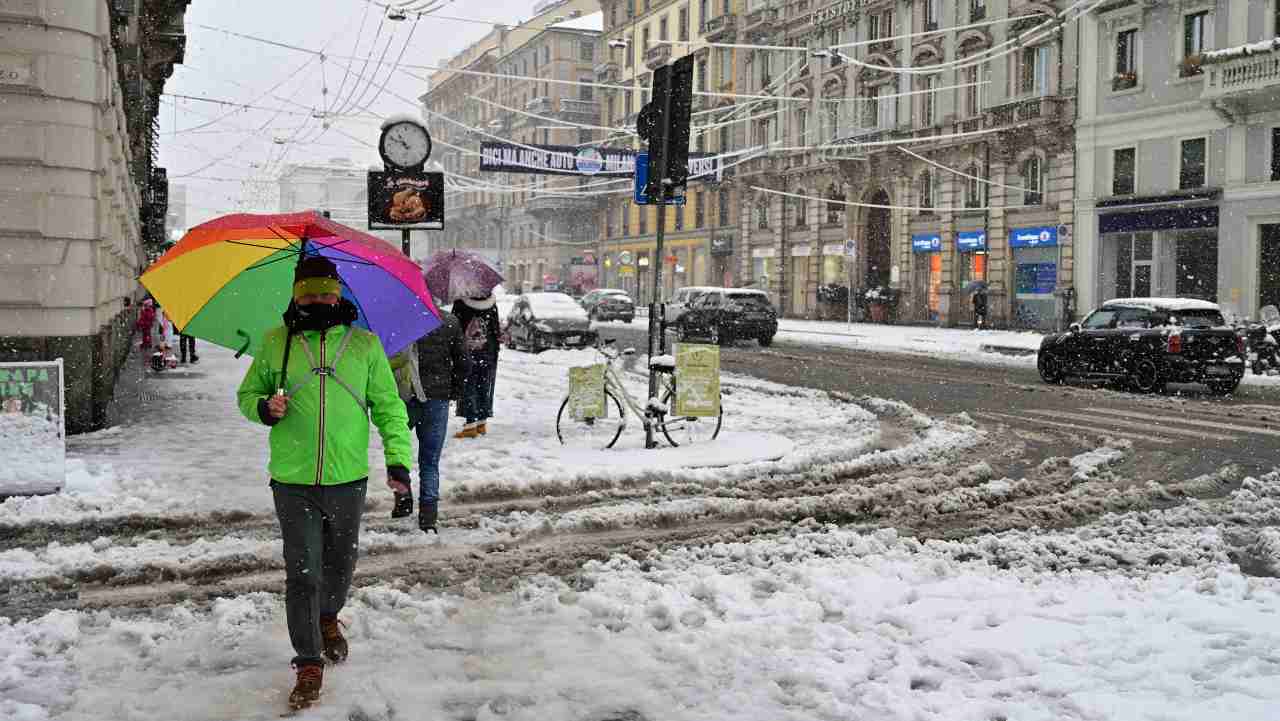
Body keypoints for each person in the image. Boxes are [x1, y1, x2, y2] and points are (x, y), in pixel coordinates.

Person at [235, 255, 413, 711]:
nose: (320, 300)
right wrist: (263, 408)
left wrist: (398, 463)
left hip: (348, 476)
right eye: (310, 293)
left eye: (327, 292)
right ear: (297, 295)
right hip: (292, 479)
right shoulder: (277, 343)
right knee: (303, 572)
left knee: (340, 565)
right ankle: (308, 661)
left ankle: (329, 616)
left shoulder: (364, 345)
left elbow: (389, 408)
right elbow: (247, 394)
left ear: (340, 295)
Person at [389, 308, 467, 531]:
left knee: (397, 452)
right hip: (437, 400)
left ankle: (403, 502)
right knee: (430, 462)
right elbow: (464, 363)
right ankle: (428, 516)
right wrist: (453, 390)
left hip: (403, 398)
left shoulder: (396, 320)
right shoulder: (449, 321)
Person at [452, 293, 501, 438]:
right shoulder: (491, 304)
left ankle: (470, 426)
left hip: (467, 352)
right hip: (488, 352)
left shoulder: (461, 303)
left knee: (468, 386)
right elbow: (496, 329)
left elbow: (454, 327)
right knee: (484, 386)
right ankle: (481, 423)